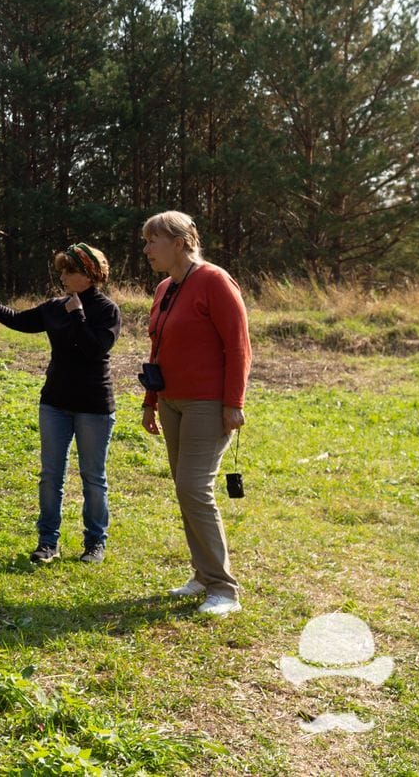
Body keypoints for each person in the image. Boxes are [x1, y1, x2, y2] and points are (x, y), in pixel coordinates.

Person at [0, 244, 120, 565]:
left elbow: (94, 349)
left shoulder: (107, 310)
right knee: (50, 476)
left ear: (88, 274)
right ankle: (48, 542)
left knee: (93, 477)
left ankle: (95, 543)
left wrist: (77, 315)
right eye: (61, 270)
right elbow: (19, 320)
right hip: (55, 404)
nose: (61, 276)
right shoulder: (54, 307)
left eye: (67, 271)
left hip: (94, 406)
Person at [138, 210, 252, 615]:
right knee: (185, 490)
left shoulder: (215, 281)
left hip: (208, 404)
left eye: (154, 241)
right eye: (147, 241)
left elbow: (238, 347)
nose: (147, 249)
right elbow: (158, 347)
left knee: (193, 488)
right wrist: (151, 401)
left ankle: (224, 588)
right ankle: (202, 576)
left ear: (181, 242)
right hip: (170, 401)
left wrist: (233, 403)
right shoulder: (165, 287)